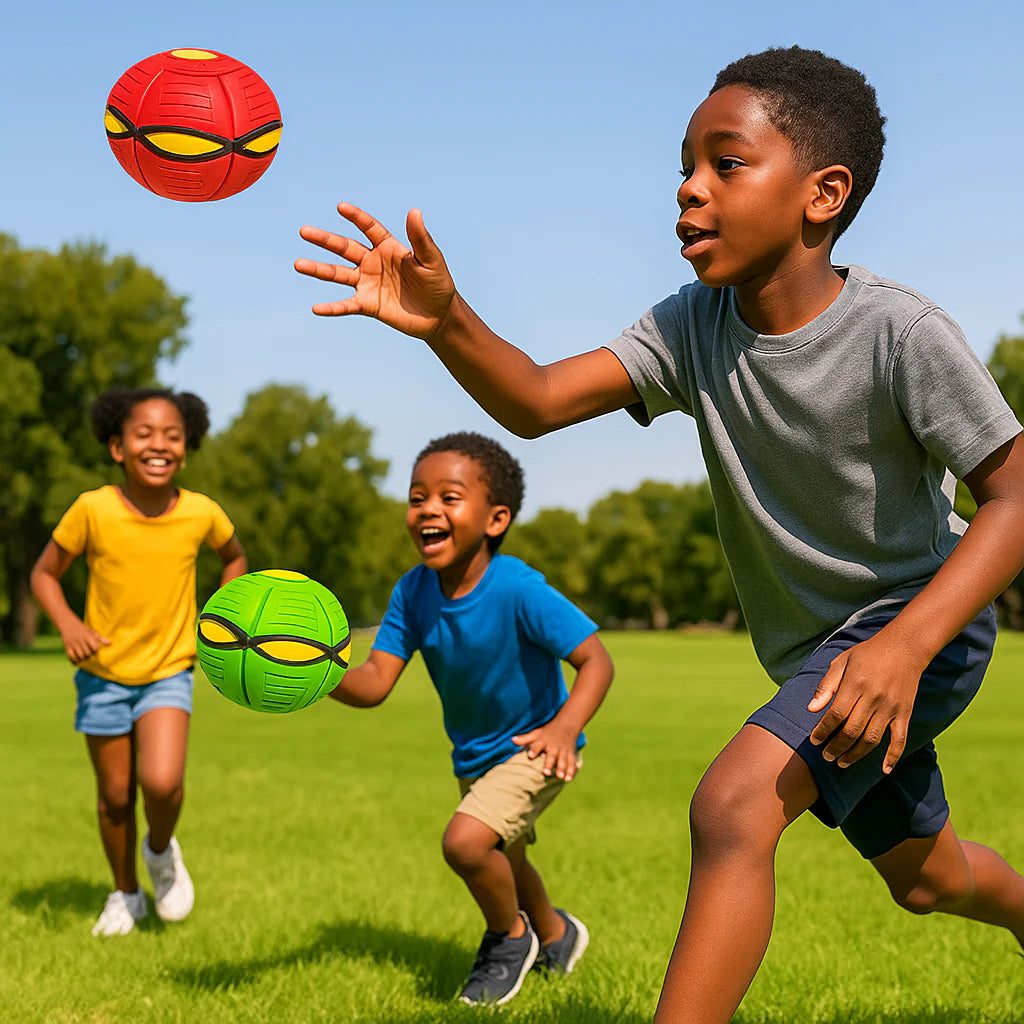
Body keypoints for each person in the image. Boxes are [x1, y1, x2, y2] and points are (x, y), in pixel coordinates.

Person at [294, 44, 1024, 1022]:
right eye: (683, 164)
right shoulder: (694, 325)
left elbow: (1012, 493)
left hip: (914, 627)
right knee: (925, 879)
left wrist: (906, 642)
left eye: (724, 163)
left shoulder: (898, 330)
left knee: (731, 806)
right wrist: (446, 319)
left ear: (823, 193)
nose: (686, 189)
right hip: (822, 655)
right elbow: (541, 399)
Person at [325, 431, 613, 1006]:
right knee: (506, 855)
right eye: (416, 497)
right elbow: (376, 682)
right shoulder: (412, 593)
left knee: (465, 843)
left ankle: (509, 939)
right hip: (475, 756)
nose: (428, 509)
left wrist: (562, 730)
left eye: (448, 497)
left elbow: (595, 661)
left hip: (538, 747)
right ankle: (556, 935)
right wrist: (314, 673)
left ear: (495, 518)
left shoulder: (518, 587)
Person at [31, 388, 247, 938]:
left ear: (187, 444)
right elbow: (44, 575)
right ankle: (125, 894)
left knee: (163, 783)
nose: (159, 444)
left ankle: (159, 850)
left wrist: (220, 616)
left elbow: (235, 558)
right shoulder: (92, 508)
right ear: (116, 447)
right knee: (113, 796)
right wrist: (70, 625)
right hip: (102, 674)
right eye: (144, 434)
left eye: (172, 435)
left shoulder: (201, 512)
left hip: (169, 669)